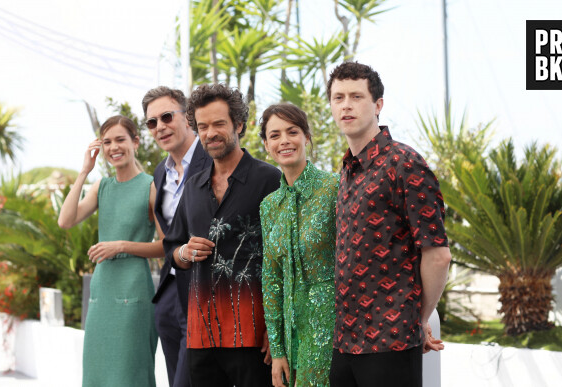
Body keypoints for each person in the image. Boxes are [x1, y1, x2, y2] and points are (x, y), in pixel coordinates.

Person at [326, 61, 451, 387]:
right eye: (338, 98)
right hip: (345, 342)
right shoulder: (347, 170)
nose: (346, 105)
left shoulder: (405, 163)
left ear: (378, 105)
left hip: (390, 341)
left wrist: (418, 319)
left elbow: (437, 255)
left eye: (356, 96)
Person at [163, 83, 280, 387]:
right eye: (202, 126)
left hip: (252, 334)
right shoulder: (192, 186)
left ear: (239, 125)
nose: (210, 133)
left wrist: (275, 328)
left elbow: (282, 257)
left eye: (218, 124)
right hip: (202, 335)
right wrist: (185, 253)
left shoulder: (269, 179)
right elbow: (172, 249)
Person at [58, 115, 163, 387]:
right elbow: (65, 221)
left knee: (130, 372)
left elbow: (166, 245)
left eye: (120, 139)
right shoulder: (101, 186)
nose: (113, 147)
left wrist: (122, 245)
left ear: (135, 142)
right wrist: (84, 171)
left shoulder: (151, 186)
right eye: (107, 142)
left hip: (134, 290)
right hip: (102, 291)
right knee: (97, 373)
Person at [259, 103, 338, 387]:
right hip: (292, 338)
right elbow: (271, 279)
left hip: (332, 332)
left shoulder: (334, 188)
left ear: (307, 136)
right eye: (275, 135)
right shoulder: (269, 206)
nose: (284, 141)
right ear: (266, 145)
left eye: (292, 132)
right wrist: (278, 351)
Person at [143, 86, 212, 387]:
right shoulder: (160, 172)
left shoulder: (214, 157)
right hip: (171, 289)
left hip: (208, 287)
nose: (160, 127)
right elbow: (168, 234)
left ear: (188, 118)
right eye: (152, 122)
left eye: (167, 117)